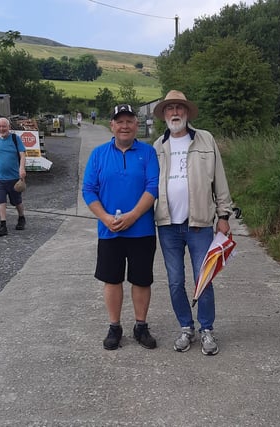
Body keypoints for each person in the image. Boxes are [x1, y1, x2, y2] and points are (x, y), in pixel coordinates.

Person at [152, 90, 234, 356]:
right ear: (164, 114)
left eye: (179, 108)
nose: (175, 113)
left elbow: (219, 180)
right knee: (175, 281)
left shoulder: (205, 139)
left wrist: (223, 215)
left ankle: (206, 329)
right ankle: (186, 327)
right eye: (170, 109)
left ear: (187, 113)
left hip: (199, 224)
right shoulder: (157, 146)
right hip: (167, 226)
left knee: (204, 278)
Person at [82, 104, 160, 351]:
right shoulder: (98, 154)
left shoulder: (147, 153)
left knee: (141, 280)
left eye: (129, 121)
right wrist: (105, 217)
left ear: (136, 125)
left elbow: (153, 186)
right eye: (119, 121)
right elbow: (88, 190)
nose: (124, 126)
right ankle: (114, 327)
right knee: (112, 279)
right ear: (112, 126)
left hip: (142, 229)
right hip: (109, 230)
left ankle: (141, 326)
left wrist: (134, 215)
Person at [0, 117, 27, 237]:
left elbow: (22, 155)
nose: (2, 129)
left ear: (9, 127)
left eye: (4, 126)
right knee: (1, 200)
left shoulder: (15, 139)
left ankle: (21, 217)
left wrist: (21, 168)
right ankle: (3, 225)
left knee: (16, 201)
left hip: (13, 178)